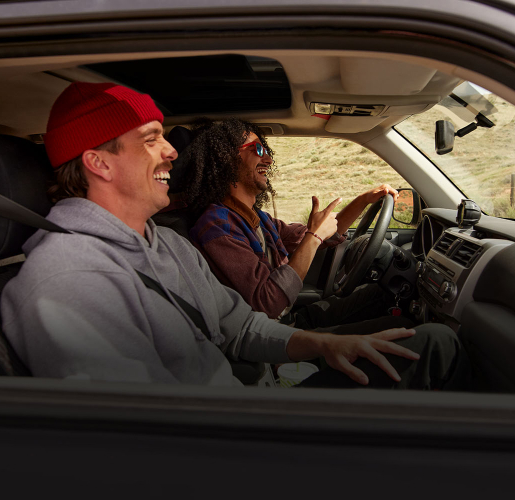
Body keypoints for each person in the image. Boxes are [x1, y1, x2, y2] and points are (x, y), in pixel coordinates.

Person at [0, 82, 469, 390]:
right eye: (150, 139)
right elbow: (135, 442)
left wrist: (324, 345)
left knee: (422, 339)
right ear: (98, 162)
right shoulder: (67, 282)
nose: (170, 152)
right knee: (435, 344)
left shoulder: (165, 243)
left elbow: (240, 325)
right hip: (239, 440)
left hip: (255, 398)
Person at [186, 118, 403, 332]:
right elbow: (267, 303)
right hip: (272, 338)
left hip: (289, 322)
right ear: (227, 159)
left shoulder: (258, 219)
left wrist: (363, 200)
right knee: (403, 329)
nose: (268, 160)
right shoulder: (217, 228)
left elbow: (322, 235)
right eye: (258, 149)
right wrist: (314, 237)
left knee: (382, 294)